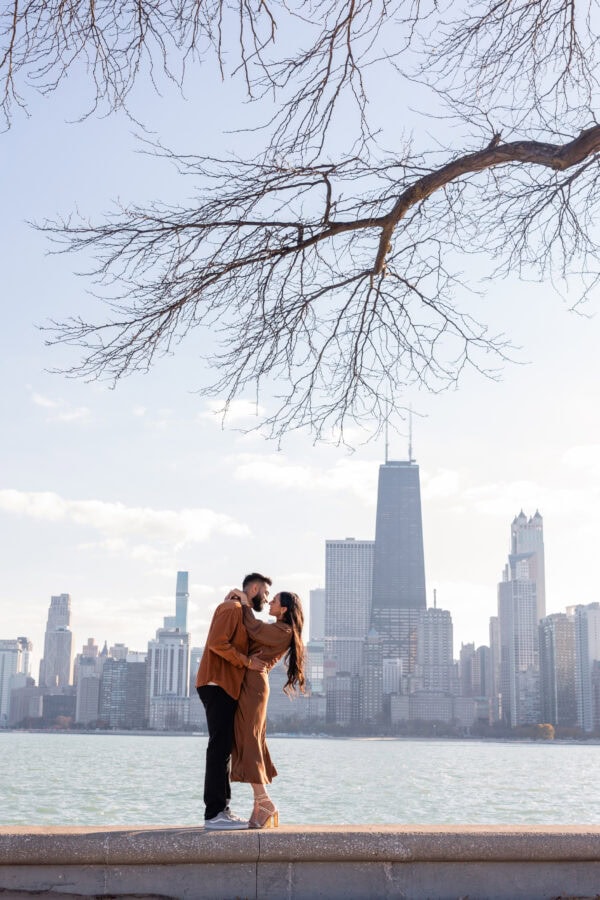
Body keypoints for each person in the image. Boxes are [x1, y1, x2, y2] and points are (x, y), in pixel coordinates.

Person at [196, 572, 272, 830]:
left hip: (225, 685)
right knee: (218, 747)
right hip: (217, 683)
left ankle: (221, 810)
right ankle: (214, 814)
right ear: (253, 589)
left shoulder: (240, 611)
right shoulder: (231, 608)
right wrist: (247, 661)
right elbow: (217, 643)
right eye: (266, 592)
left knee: (223, 748)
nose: (267, 597)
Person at [227, 589, 305, 829]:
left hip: (255, 685)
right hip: (250, 682)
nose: (270, 603)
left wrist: (244, 602)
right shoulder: (279, 629)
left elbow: (255, 629)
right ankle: (259, 804)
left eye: (274, 601)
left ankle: (264, 801)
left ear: (283, 609)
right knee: (247, 738)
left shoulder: (284, 630)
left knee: (249, 738)